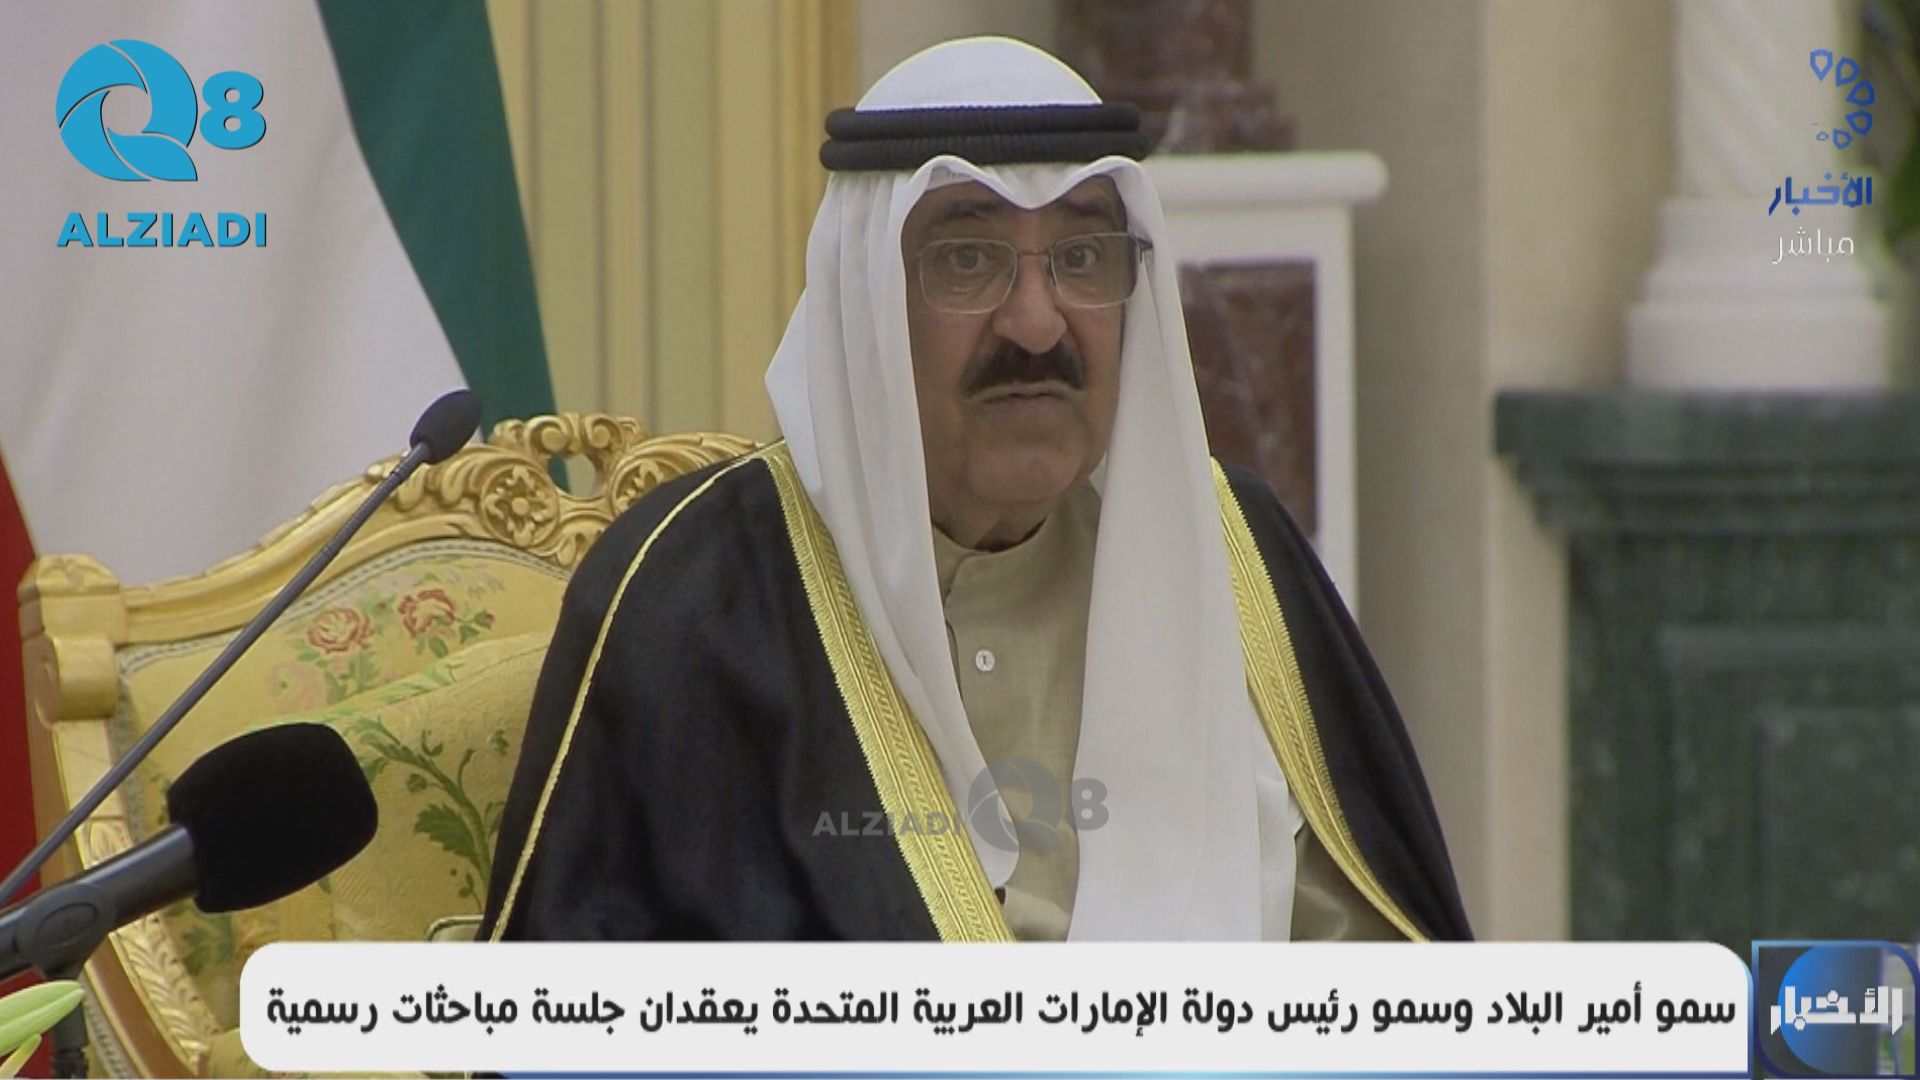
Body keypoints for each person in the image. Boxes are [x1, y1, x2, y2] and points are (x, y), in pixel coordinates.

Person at [480, 37, 1470, 944]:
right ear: (866, 301)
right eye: (967, 260)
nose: (1037, 325)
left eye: (1082, 257)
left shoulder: (1237, 560)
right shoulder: (698, 598)